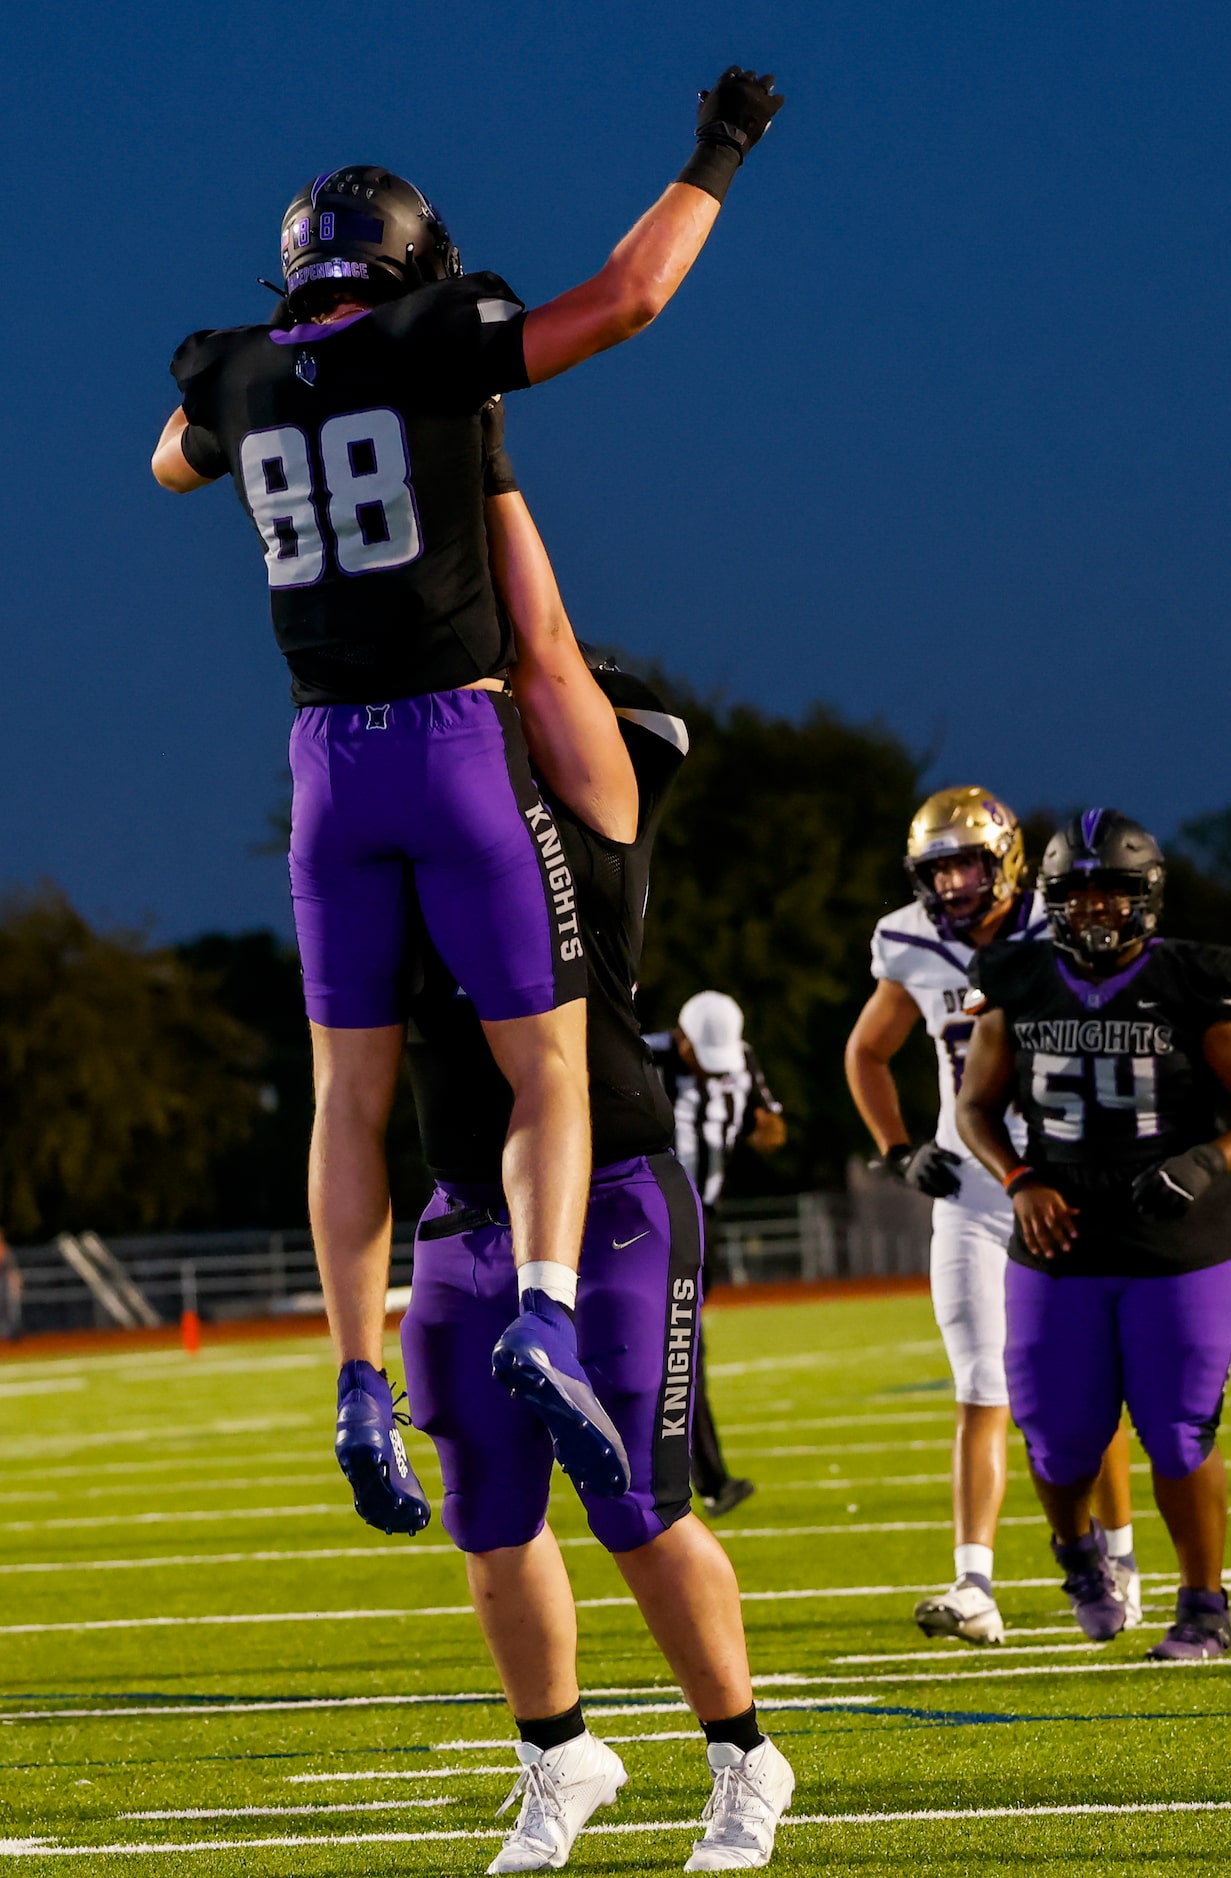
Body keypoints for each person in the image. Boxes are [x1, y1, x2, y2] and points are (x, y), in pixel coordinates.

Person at [150, 68, 786, 1516]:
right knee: (546, 1065)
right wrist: (720, 148)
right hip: (450, 739)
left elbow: (169, 464)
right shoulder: (437, 340)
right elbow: (627, 296)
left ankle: (355, 1379)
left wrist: (280, 402)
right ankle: (547, 1312)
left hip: (322, 762)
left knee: (344, 1092)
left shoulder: (232, 371)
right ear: (413, 265)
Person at [396, 455, 794, 1873]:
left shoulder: (596, 818)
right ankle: (559, 1753)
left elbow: (548, 655)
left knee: (634, 1499)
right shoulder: (409, 842)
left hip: (611, 1185)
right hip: (460, 1203)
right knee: (490, 1520)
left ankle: (746, 1756)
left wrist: (476, 462)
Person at [957, 809, 1231, 1657]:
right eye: (1077, 894)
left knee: (1178, 1428)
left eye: (1113, 893)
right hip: (1059, 1234)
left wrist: (1207, 1161)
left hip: (1181, 1236)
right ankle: (1077, 1555)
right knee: (1057, 1434)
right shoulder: (1017, 977)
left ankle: (1202, 1607)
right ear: (1051, 901)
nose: (1096, 910)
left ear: (1147, 897)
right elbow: (974, 1108)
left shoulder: (1194, 979)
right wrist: (1019, 1178)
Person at [845, 787, 1138, 1645]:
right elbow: (866, 1050)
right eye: (938, 868)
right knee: (980, 1383)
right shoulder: (908, 938)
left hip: (1066, 1187)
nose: (954, 882)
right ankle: (974, 1582)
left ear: (1004, 860)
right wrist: (899, 1146)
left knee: (1088, 1385)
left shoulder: (1059, 931)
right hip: (973, 1195)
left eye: (968, 862)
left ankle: (1117, 1560)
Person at [646, 992, 786, 1516]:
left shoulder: (740, 1057)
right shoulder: (643, 1055)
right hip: (648, 1218)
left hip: (704, 1219)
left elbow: (769, 1123)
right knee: (680, 1352)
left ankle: (703, 1478)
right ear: (681, 1040)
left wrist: (764, 1126)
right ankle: (701, 1478)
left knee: (679, 1351)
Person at [0, 1231, 22, 1341]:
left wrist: (17, 1284)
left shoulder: (6, 1250)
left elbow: (13, 1271)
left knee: (12, 1308)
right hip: (3, 1282)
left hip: (8, 1282)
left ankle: (13, 1334)